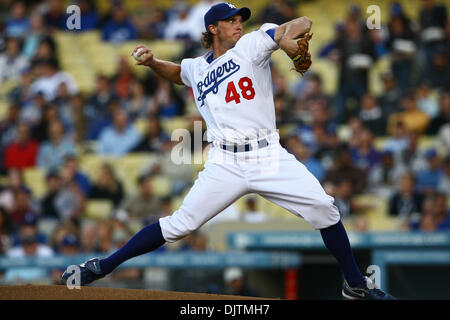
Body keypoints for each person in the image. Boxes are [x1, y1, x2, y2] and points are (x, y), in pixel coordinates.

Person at [62, 3, 394, 300]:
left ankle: (354, 283)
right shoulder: (197, 67)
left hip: (267, 155)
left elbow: (303, 21)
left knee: (324, 208)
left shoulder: (252, 43)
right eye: (231, 20)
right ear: (213, 28)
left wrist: (286, 41)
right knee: (180, 225)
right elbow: (179, 74)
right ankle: (103, 265)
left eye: (239, 19)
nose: (238, 23)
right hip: (225, 161)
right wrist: (152, 63)